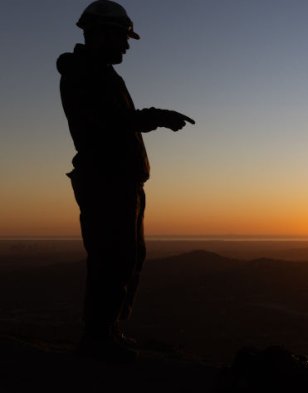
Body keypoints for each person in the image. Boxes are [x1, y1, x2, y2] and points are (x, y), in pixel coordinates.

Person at [58, 0, 194, 363]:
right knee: (112, 257)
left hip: (120, 180)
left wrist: (150, 118)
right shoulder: (83, 74)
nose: (126, 46)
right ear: (101, 33)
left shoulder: (98, 73)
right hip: (106, 180)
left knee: (127, 257)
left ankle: (109, 332)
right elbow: (108, 123)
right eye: (122, 37)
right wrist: (155, 117)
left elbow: (115, 120)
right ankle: (99, 339)